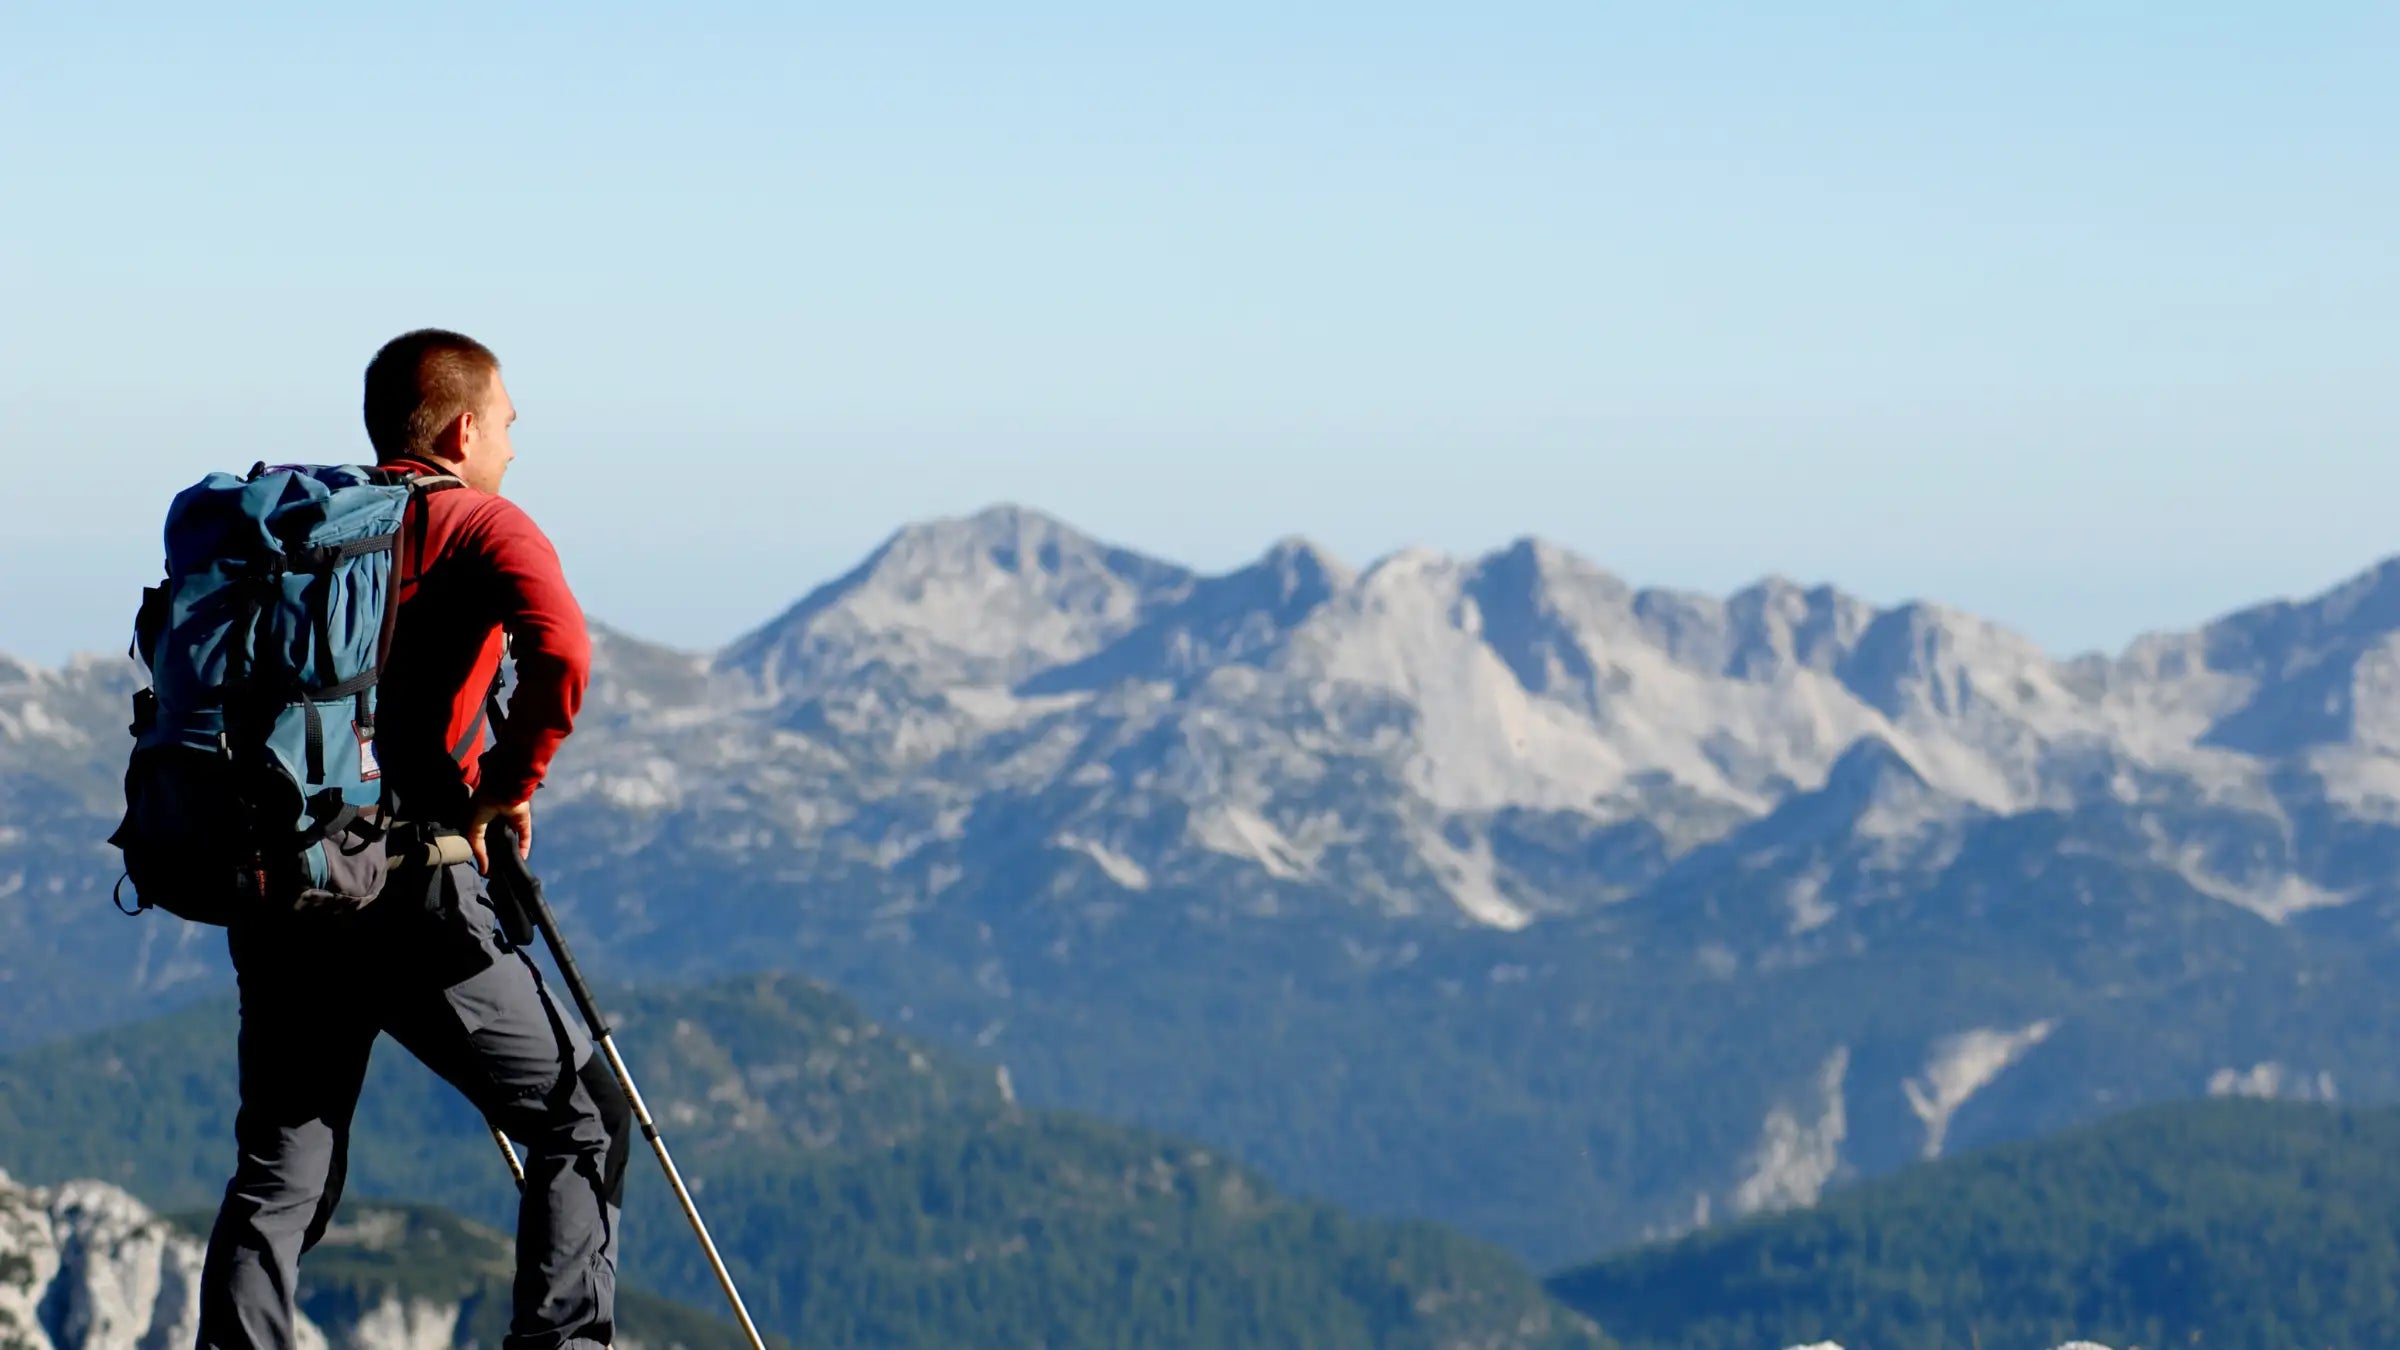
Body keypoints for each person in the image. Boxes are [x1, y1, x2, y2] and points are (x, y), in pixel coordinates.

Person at [197, 329, 630, 1350]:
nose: (516, 447)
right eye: (510, 425)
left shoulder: (315, 531)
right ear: (465, 426)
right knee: (583, 1114)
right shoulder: (481, 521)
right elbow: (563, 651)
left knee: (282, 1168)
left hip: (285, 884)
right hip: (410, 897)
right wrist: (504, 790)